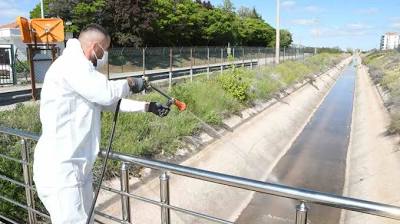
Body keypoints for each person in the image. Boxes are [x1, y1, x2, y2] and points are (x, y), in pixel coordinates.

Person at [33, 24, 169, 223]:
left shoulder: (81, 71)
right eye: (105, 50)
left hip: (75, 168)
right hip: (63, 171)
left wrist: (147, 107)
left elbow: (106, 102)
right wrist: (130, 83)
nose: (105, 55)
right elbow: (106, 93)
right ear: (95, 47)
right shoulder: (72, 64)